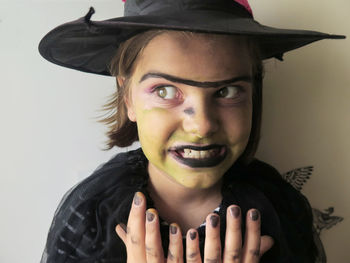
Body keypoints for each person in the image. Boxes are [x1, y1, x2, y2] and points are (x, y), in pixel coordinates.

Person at [38, 0, 345, 262]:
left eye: (227, 91)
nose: (201, 126)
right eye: (165, 91)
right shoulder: (90, 219)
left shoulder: (279, 213)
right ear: (128, 96)